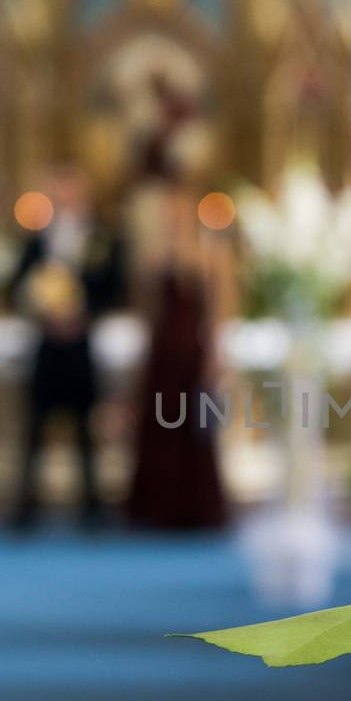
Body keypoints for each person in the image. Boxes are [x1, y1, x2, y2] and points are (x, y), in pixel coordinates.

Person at [12, 166, 124, 528]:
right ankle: (26, 503)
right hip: (47, 343)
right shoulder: (36, 240)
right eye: (59, 191)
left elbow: (114, 286)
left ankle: (91, 505)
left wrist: (83, 314)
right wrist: (44, 313)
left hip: (81, 343)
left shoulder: (103, 239)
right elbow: (20, 284)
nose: (65, 198)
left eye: (71, 190)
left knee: (84, 424)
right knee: (36, 424)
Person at [127, 183, 228, 530]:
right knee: (159, 426)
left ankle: (196, 508)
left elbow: (218, 309)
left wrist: (215, 354)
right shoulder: (154, 253)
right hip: (162, 353)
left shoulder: (208, 252)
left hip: (192, 353)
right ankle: (157, 507)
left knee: (193, 428)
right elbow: (145, 304)